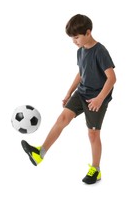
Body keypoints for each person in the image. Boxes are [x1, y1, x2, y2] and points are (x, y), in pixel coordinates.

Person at [21, 14, 116, 184]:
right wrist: (69, 93)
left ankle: (96, 169)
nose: (74, 41)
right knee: (62, 118)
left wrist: (100, 99)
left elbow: (112, 78)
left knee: (93, 134)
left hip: (96, 97)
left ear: (88, 32)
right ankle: (39, 153)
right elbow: (81, 73)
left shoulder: (100, 51)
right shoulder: (80, 51)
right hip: (81, 93)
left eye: (77, 37)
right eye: (72, 38)